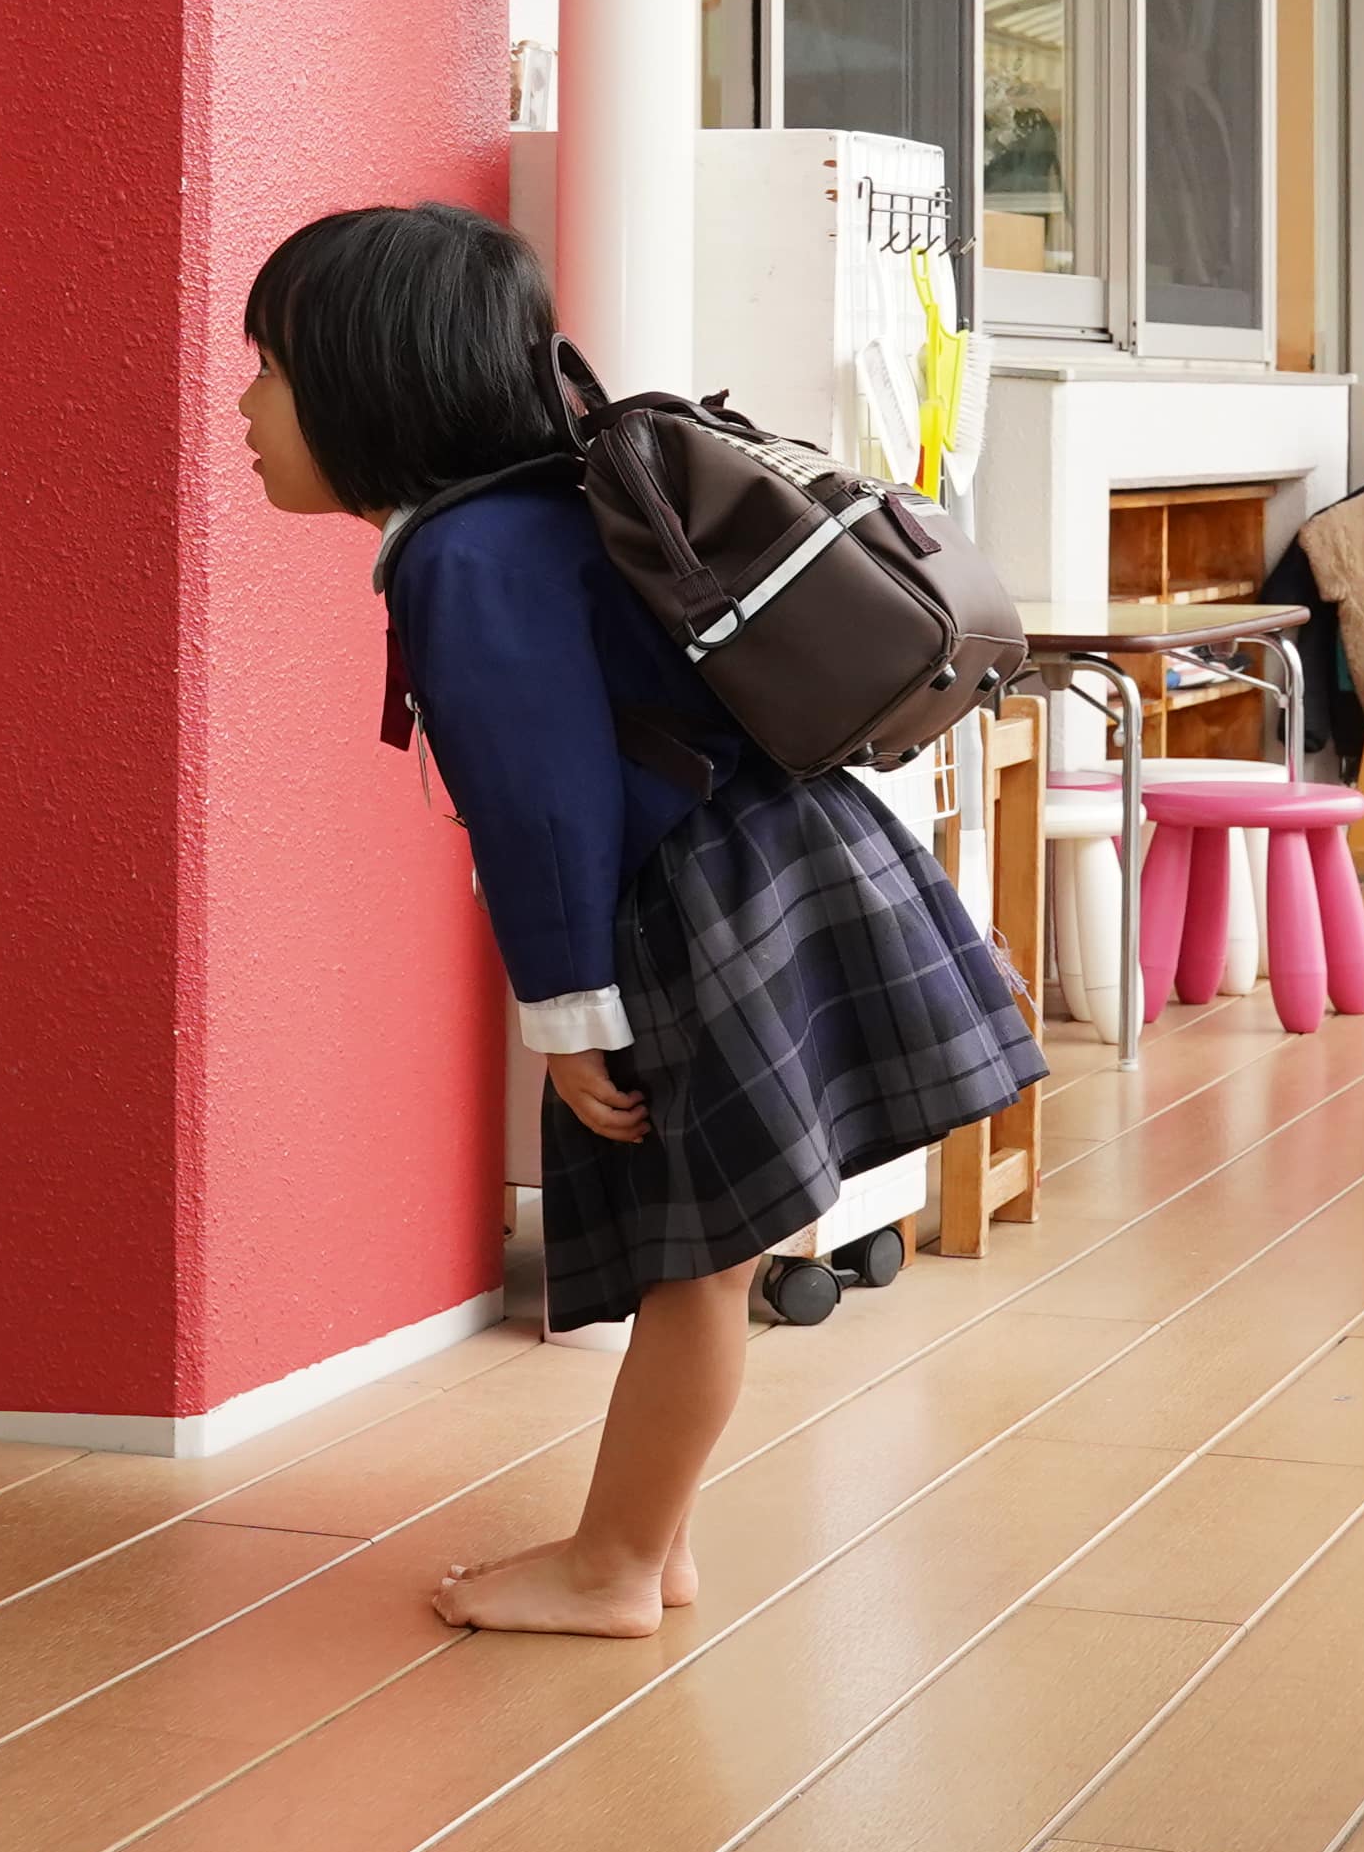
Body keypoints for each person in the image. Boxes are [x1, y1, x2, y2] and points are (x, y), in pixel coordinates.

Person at [242, 203, 1044, 1639]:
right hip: (773, 854)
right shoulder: (535, 510)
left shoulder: (462, 560)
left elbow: (543, 809)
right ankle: (649, 1546)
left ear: (373, 382)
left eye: (272, 369)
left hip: (689, 900)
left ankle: (613, 1562)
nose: (246, 407)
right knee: (707, 1257)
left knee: (693, 1263)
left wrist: (566, 1016)